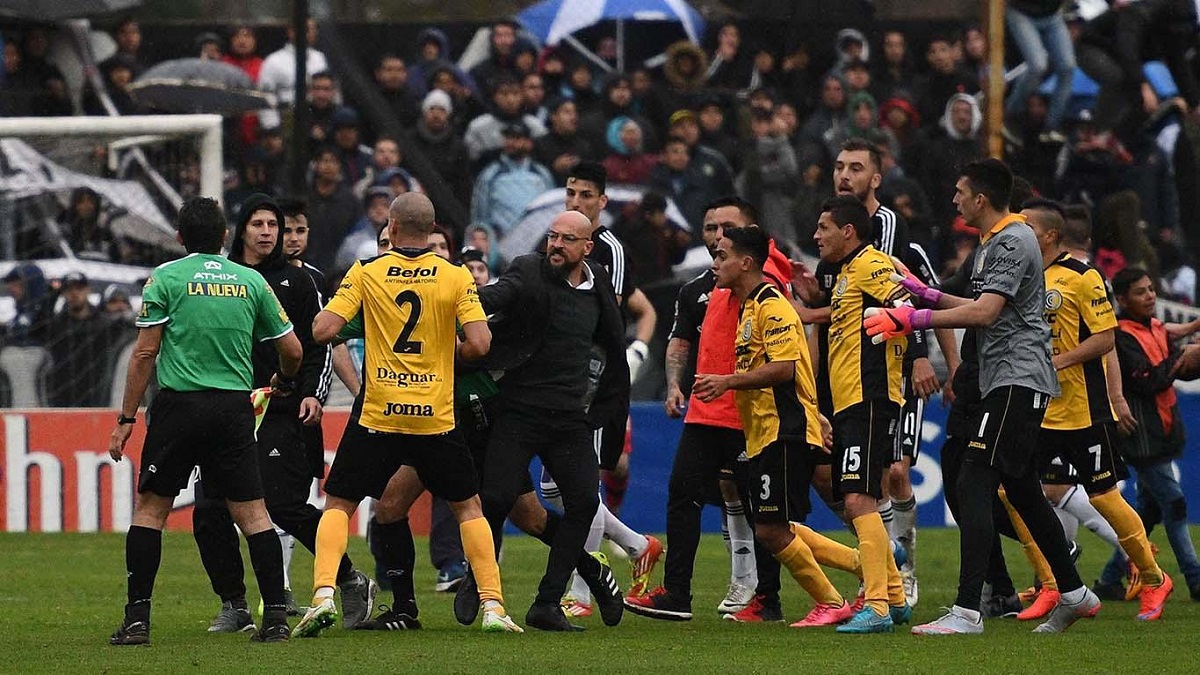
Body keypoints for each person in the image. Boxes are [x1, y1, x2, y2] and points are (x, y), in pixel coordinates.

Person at [866, 159, 1101, 635]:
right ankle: (1075, 593)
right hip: (1007, 379)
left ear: (981, 199)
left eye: (960, 192)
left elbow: (987, 313)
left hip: (1017, 378)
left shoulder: (1014, 239)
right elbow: (975, 304)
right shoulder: (995, 240)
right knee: (1022, 491)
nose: (953, 200)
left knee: (972, 481)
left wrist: (911, 320)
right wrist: (923, 294)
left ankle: (968, 610)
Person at [292, 193, 523, 636]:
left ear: (392, 229)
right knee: (467, 506)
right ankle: (494, 606)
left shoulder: (366, 272)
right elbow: (480, 344)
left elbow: (322, 330)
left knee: (340, 501)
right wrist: (442, 350)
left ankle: (322, 595)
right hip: (434, 414)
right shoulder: (455, 277)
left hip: (380, 412)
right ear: (432, 231)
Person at [107, 197, 302, 645]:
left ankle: (137, 620)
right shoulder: (250, 281)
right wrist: (284, 380)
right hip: (233, 409)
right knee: (253, 513)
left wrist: (126, 418)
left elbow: (143, 354)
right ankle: (274, 618)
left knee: (152, 510)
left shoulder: (166, 278)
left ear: (179, 237)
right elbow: (292, 350)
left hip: (179, 408)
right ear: (226, 236)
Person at [190, 194, 373, 632]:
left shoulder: (298, 282)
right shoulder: (223, 278)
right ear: (240, 230)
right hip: (227, 409)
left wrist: (312, 392)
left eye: (274, 224)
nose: (269, 232)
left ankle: (348, 577)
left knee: (282, 504)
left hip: (282, 408)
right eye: (260, 224)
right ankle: (233, 602)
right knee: (209, 510)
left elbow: (318, 345)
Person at [1001, 201, 1173, 623]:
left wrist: (1060, 364)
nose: (1017, 234)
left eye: (1025, 227)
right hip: (1041, 409)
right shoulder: (1026, 278)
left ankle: (1153, 578)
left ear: (1048, 236)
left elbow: (1105, 340)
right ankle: (1054, 585)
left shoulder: (1084, 278)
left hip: (1083, 412)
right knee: (1011, 489)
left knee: (1105, 496)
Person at [625, 198, 788, 621]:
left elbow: (789, 357)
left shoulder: (768, 292)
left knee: (761, 509)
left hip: (751, 415)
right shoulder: (703, 290)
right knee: (683, 494)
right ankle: (678, 595)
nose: (717, 237)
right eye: (711, 228)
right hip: (705, 411)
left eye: (726, 229)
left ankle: (768, 599)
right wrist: (677, 385)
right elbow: (682, 342)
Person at [811, 196, 910, 633]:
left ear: (848, 231)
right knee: (857, 500)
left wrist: (898, 323)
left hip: (870, 397)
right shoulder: (849, 273)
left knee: (858, 500)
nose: (817, 236)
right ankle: (894, 596)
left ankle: (879, 608)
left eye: (823, 228)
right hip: (853, 400)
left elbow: (908, 302)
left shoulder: (872, 264)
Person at [1107, 267, 1200, 602]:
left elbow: (1170, 344)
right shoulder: (1120, 335)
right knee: (1174, 504)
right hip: (1142, 435)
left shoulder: (1154, 327)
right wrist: (1183, 358)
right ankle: (1195, 578)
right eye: (1140, 292)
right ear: (1121, 299)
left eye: (1150, 289)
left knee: (1148, 511)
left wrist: (1191, 343)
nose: (1149, 296)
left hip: (1162, 429)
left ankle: (1109, 578)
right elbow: (1147, 380)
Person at [470, 122, 554, 238]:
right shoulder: (491, 174)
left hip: (534, 240)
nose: (511, 143)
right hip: (500, 242)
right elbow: (480, 212)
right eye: (508, 138)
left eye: (517, 138)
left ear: (529, 143)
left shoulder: (541, 173)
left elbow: (550, 208)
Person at [45, 272, 116, 407]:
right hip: (63, 398)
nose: (74, 294)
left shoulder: (104, 324)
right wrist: (52, 294)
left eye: (79, 288)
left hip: (100, 396)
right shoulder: (57, 326)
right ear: (63, 293)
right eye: (69, 290)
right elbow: (38, 325)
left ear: (88, 290)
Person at [258, 17, 329, 130]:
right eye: (307, 29)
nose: (311, 33)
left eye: (313, 29)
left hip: (317, 123)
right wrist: (272, 130)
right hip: (286, 122)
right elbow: (266, 98)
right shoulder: (273, 61)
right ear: (291, 31)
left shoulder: (320, 58)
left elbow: (330, 92)